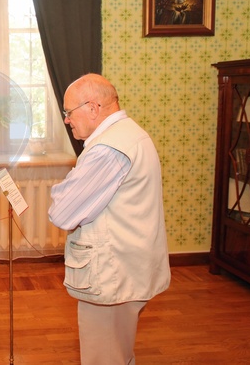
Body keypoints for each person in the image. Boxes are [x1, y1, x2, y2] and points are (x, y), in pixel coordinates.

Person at [48, 73, 171, 365]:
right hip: (126, 267)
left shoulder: (108, 148)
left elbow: (62, 213)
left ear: (92, 108)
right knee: (118, 352)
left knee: (104, 358)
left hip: (113, 273)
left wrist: (63, 191)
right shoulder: (130, 134)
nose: (67, 119)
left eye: (69, 112)